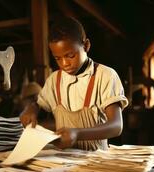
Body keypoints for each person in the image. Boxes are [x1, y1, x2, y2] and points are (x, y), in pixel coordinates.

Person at [20, 17, 128, 151]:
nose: (64, 63)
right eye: (58, 58)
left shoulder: (105, 75)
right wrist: (31, 109)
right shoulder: (54, 80)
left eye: (70, 56)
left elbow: (116, 126)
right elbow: (39, 104)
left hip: (96, 160)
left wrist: (77, 133)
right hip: (64, 160)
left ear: (86, 45)